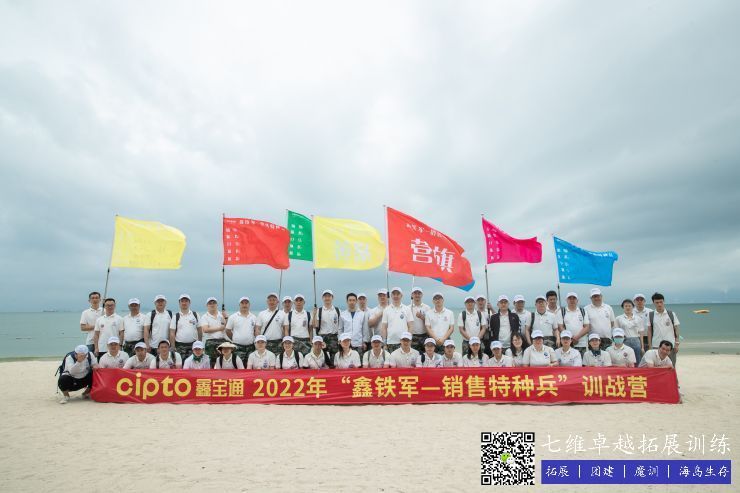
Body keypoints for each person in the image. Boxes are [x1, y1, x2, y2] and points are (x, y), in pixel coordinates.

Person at [647, 292, 681, 367]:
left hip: (670, 346)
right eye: (657, 302)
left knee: (671, 367)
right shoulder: (651, 315)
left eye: (661, 302)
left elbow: (676, 329)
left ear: (664, 301)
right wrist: (650, 346)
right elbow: (649, 331)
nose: (659, 304)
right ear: (653, 303)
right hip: (656, 346)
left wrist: (677, 343)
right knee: (656, 367)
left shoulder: (671, 314)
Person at [225, 296, 257, 366]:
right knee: (237, 366)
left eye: (246, 303)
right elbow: (228, 330)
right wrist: (234, 338)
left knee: (250, 366)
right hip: (237, 347)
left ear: (249, 305)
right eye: (242, 303)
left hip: (251, 347)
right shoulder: (233, 317)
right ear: (239, 305)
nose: (244, 305)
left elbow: (255, 331)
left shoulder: (254, 317)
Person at [381, 287, 414, 353]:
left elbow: (411, 326)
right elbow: (384, 327)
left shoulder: (407, 309)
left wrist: (409, 340)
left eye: (398, 294)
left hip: (404, 343)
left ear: (401, 295)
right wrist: (384, 344)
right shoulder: (386, 310)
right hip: (390, 343)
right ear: (391, 296)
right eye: (394, 294)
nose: (395, 296)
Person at [169, 294, 201, 362]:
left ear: (189, 302)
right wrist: (173, 347)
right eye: (182, 301)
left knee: (194, 364)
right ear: (179, 303)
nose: (184, 303)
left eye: (186, 301)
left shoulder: (195, 315)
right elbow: (172, 333)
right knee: (180, 365)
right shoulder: (176, 316)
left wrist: (200, 343)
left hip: (193, 345)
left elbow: (199, 330)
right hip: (179, 346)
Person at [312, 289, 341, 357]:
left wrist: (340, 339)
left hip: (334, 338)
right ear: (322, 298)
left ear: (332, 297)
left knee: (335, 358)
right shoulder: (319, 310)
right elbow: (314, 325)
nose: (327, 298)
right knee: (323, 358)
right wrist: (314, 314)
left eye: (329, 296)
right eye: (325, 296)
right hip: (323, 338)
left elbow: (340, 327)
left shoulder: (337, 310)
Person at [200, 297, 226, 366]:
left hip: (222, 341)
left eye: (214, 303)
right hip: (210, 342)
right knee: (211, 363)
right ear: (207, 305)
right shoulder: (204, 317)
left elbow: (225, 326)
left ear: (217, 305)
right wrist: (219, 328)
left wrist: (226, 318)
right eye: (210, 303)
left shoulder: (222, 315)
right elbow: (205, 329)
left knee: (223, 362)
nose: (212, 305)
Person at [340, 293, 368, 357]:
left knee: (359, 361)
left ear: (356, 301)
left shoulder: (362, 314)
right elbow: (340, 329)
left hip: (359, 344)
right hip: (346, 344)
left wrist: (364, 342)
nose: (352, 302)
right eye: (350, 300)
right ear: (347, 301)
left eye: (353, 300)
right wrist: (340, 340)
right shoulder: (342, 314)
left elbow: (364, 329)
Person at [409, 287, 431, 353]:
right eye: (415, 293)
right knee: (413, 356)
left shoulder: (427, 308)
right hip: (413, 336)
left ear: (422, 295)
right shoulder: (408, 308)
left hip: (424, 336)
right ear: (412, 295)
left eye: (419, 293)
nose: (417, 295)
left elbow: (430, 324)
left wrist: (422, 317)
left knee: (425, 355)